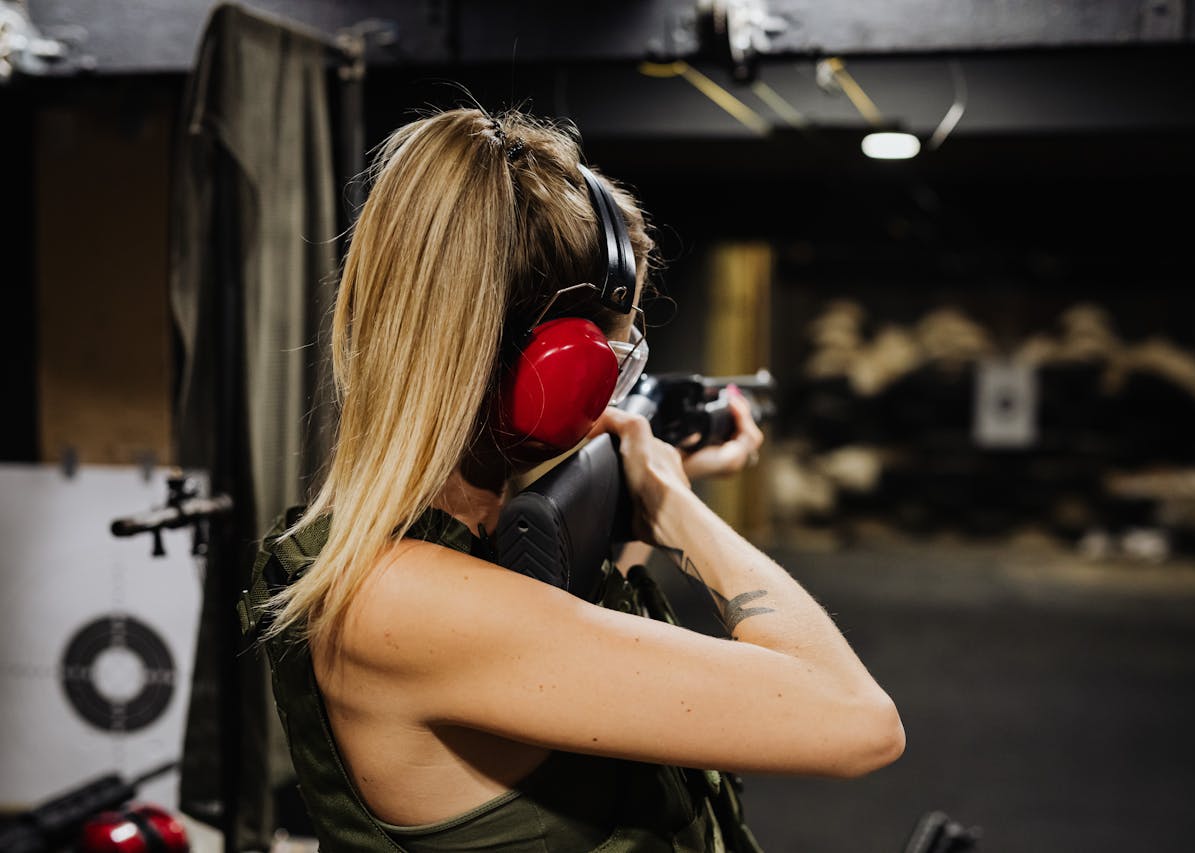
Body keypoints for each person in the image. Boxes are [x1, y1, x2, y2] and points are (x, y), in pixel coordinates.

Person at [241, 108, 904, 852]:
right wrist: (676, 506)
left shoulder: (440, 551)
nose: (616, 384)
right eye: (617, 355)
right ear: (564, 370)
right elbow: (856, 718)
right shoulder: (402, 603)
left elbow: (574, 643)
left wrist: (646, 484)